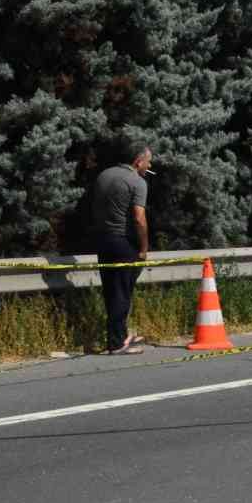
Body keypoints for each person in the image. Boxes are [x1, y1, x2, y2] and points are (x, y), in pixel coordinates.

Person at [92, 140, 153, 354]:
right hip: (123, 242)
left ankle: (120, 336)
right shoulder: (137, 182)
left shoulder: (104, 175)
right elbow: (139, 218)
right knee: (122, 293)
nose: (149, 166)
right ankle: (117, 343)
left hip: (102, 240)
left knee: (111, 290)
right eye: (148, 162)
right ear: (138, 161)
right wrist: (144, 248)